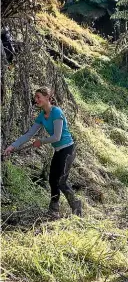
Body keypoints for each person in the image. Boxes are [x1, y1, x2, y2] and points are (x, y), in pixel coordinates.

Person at [4, 86, 82, 217]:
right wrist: (12, 146)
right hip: (58, 150)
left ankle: (76, 206)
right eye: (35, 97)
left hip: (68, 149)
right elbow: (29, 134)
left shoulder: (56, 112)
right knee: (52, 180)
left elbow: (56, 137)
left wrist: (41, 141)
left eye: (38, 97)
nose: (36, 99)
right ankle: (54, 210)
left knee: (61, 181)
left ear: (47, 98)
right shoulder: (41, 116)